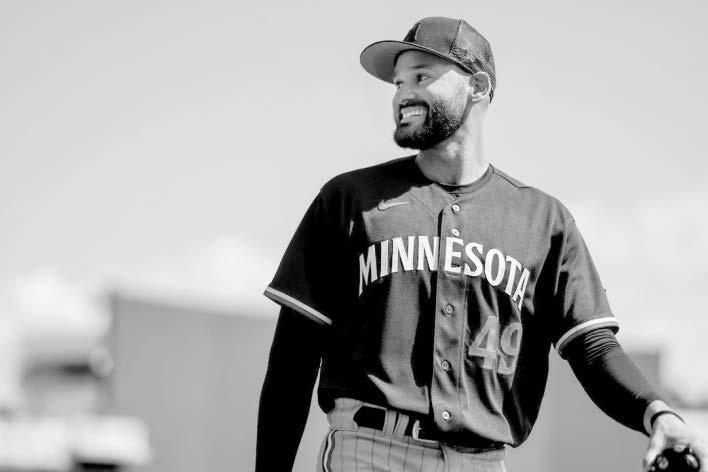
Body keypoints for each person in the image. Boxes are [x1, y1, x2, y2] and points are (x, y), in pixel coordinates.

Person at [255, 16, 706, 472]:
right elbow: (292, 360)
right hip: (371, 451)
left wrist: (658, 414)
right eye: (398, 83)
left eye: (421, 77)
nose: (402, 95)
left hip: (484, 462)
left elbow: (594, 349)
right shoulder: (349, 200)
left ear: (478, 86)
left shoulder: (543, 220)